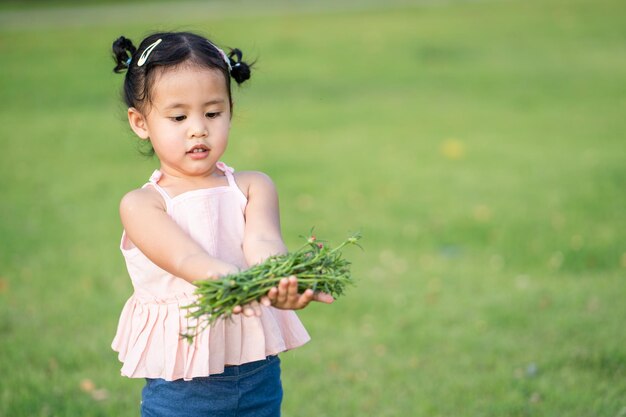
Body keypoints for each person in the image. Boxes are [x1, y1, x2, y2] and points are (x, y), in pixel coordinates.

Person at [110, 31, 333, 417]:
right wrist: (231, 281)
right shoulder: (142, 205)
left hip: (256, 374)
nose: (198, 128)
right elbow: (185, 258)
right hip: (181, 388)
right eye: (178, 116)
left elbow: (263, 241)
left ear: (230, 110)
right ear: (140, 122)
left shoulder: (252, 186)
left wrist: (278, 281)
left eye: (213, 113)